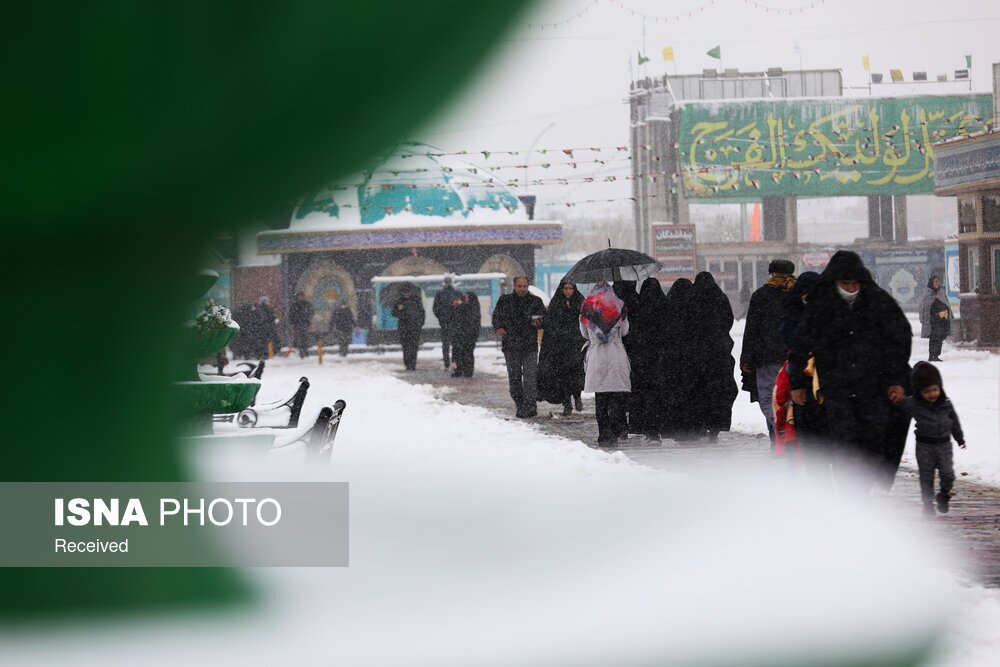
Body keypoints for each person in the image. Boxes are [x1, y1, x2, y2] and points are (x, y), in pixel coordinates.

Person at [788, 251, 912, 492]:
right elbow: (801, 345)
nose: (851, 288)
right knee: (844, 441)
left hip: (872, 387)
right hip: (835, 388)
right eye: (846, 284)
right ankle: (851, 493)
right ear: (835, 281)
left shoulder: (878, 301)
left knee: (873, 440)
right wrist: (797, 384)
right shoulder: (820, 304)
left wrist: (897, 380)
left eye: (855, 283)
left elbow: (899, 340)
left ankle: (862, 486)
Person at [740, 259, 797, 445]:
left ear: (771, 274)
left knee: (770, 397)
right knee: (791, 397)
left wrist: (747, 357)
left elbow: (752, 329)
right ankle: (788, 432)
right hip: (794, 356)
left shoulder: (761, 295)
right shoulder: (796, 293)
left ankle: (778, 433)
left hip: (767, 357)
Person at [898, 362, 966, 515]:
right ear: (919, 392)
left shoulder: (946, 404)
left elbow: (954, 421)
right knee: (926, 475)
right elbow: (900, 403)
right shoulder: (914, 404)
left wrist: (959, 438)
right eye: (927, 391)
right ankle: (927, 503)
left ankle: (944, 494)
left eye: (935, 389)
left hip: (944, 445)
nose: (932, 394)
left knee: (948, 474)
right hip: (924, 446)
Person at [580, 282, 631, 446]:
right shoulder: (619, 306)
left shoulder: (587, 306)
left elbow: (584, 334)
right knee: (616, 396)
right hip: (616, 354)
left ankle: (604, 434)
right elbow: (624, 332)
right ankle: (616, 431)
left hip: (597, 356)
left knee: (601, 398)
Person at [691, 272, 739, 441]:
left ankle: (702, 423)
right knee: (718, 390)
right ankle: (716, 425)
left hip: (698, 352)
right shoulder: (720, 297)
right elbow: (729, 319)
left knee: (700, 389)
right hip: (719, 351)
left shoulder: (693, 298)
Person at [492, 276, 546, 418]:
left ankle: (530, 406)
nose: (522, 289)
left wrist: (539, 322)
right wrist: (498, 328)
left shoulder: (536, 301)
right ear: (514, 286)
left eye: (525, 286)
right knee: (515, 378)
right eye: (519, 286)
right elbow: (496, 317)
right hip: (511, 346)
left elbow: (543, 318)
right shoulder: (505, 301)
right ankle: (520, 404)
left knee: (530, 378)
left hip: (529, 346)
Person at [628, 277, 669, 441]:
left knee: (642, 395)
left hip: (640, 360)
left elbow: (631, 332)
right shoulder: (664, 305)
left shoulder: (638, 306)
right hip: (659, 359)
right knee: (657, 395)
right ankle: (657, 428)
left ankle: (644, 427)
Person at [537, 280, 586, 416]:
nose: (568, 291)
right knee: (562, 376)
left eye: (571, 288)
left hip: (576, 345)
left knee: (576, 374)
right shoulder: (556, 303)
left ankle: (577, 397)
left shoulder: (580, 302)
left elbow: (585, 321)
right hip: (560, 347)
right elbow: (550, 321)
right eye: (566, 288)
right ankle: (567, 404)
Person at [662, 278, 700, 439]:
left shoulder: (668, 305)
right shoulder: (695, 307)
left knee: (675, 392)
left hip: (673, 357)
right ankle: (692, 425)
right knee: (691, 392)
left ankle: (675, 425)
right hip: (692, 357)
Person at [391, 285, 425, 371]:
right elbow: (394, 313)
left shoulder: (416, 300)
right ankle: (407, 363)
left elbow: (422, 312)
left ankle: (412, 364)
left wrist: (420, 323)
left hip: (415, 327)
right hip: (404, 328)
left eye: (408, 292)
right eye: (405, 293)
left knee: (414, 346)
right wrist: (399, 309)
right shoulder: (399, 301)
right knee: (405, 346)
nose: (406, 294)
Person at [919, 275, 952, 362]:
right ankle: (931, 355)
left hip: (941, 320)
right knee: (933, 338)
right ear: (931, 283)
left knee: (940, 337)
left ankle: (936, 355)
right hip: (932, 321)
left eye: (938, 281)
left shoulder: (941, 292)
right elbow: (924, 306)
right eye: (936, 281)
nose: (937, 283)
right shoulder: (927, 293)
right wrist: (934, 298)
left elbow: (946, 304)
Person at [432, 275, 462, 371]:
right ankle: (454, 361)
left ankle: (447, 362)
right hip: (455, 321)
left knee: (446, 343)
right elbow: (463, 306)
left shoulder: (440, 293)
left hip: (445, 322)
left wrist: (441, 318)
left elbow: (435, 308)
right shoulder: (457, 293)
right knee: (455, 343)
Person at [451, 291, 481, 377]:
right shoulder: (466, 306)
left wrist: (461, 305)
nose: (466, 300)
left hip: (470, 335)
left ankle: (468, 371)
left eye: (467, 298)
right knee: (461, 352)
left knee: (468, 353)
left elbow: (470, 318)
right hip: (462, 334)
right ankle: (460, 369)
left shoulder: (473, 306)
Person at [288, 291, 315, 358]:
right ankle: (301, 352)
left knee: (305, 338)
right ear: (298, 297)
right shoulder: (295, 305)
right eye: (300, 296)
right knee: (299, 338)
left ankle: (305, 351)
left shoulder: (307, 304)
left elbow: (311, 312)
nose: (301, 297)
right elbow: (291, 315)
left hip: (305, 323)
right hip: (297, 324)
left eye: (302, 296)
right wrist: (292, 323)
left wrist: (309, 320)